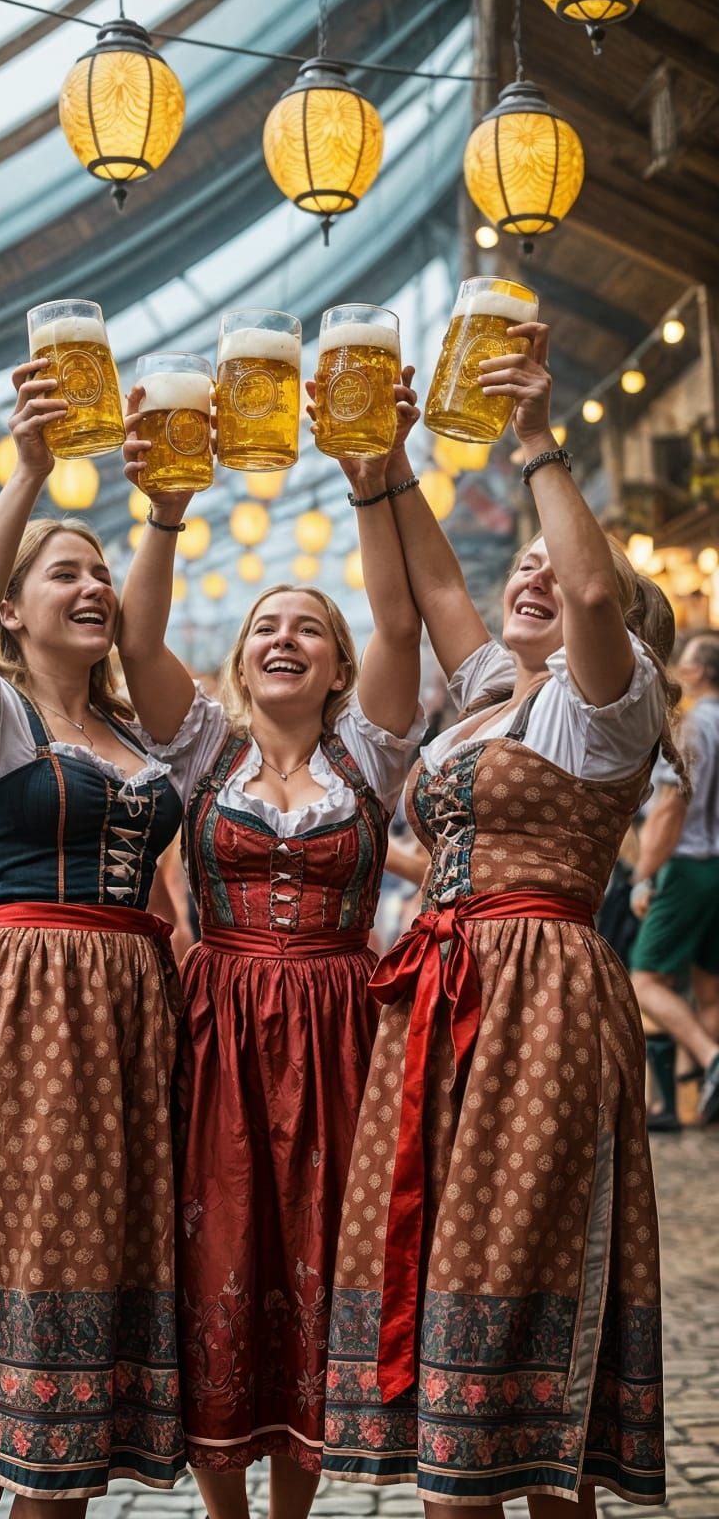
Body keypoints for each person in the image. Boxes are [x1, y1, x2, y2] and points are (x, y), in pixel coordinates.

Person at [321, 321, 682, 1515]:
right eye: (515, 559)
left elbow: (589, 583)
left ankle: (488, 1481)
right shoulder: (489, 696)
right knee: (450, 1272)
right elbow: (432, 588)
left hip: (537, 999)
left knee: (518, 1277)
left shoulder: (602, 706)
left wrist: (536, 439)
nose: (531, 572)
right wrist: (382, 469)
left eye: (550, 561)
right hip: (441, 994)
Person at [118, 371, 424, 1519]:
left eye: (308, 627)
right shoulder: (201, 754)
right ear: (240, 663)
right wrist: (163, 508)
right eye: (266, 626)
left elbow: (400, 620)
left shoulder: (371, 761)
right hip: (220, 1030)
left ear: (337, 670)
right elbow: (142, 634)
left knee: (318, 1271)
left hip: (346, 1028)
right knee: (221, 1268)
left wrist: (368, 485)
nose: (284, 635)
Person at [0, 358, 187, 1516]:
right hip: (21, 1005)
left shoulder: (132, 727)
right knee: (9, 1284)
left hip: (128, 1019)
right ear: (19, 607)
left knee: (80, 1316)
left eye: (100, 573)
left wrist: (160, 517)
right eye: (64, 572)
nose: (93, 586)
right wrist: (26, 472)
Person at [630, 630, 719, 1126]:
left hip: (687, 866)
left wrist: (644, 876)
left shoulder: (690, 726)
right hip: (718, 867)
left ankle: (710, 1059)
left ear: (700, 672)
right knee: (710, 989)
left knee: (643, 980)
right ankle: (704, 1105)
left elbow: (670, 807)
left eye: (686, 661)